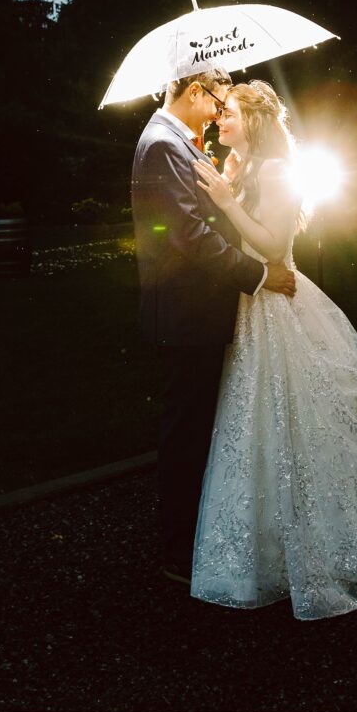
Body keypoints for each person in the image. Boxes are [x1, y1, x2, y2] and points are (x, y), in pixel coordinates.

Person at [191, 79, 357, 620]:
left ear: (255, 122)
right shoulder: (244, 166)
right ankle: (267, 544)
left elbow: (272, 245)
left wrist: (225, 200)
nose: (221, 120)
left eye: (230, 113)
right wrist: (226, 185)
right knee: (261, 424)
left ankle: (341, 538)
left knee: (305, 421)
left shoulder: (276, 170)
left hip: (278, 304)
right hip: (251, 305)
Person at [131, 69, 296, 586]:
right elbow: (190, 235)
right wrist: (259, 276)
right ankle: (180, 550)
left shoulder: (179, 142)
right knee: (187, 432)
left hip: (200, 312)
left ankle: (204, 532)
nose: (220, 112)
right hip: (187, 314)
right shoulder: (164, 144)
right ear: (195, 92)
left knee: (202, 427)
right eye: (218, 102)